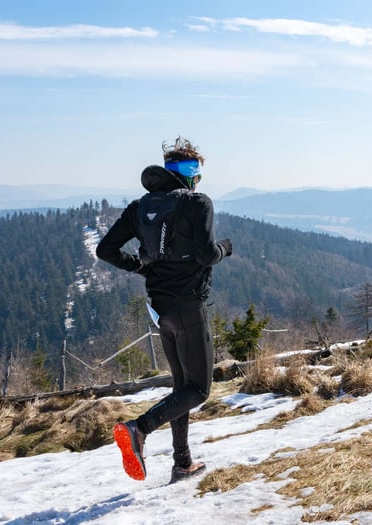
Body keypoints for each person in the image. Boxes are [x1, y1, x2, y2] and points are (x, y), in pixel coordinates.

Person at [96, 136, 232, 484]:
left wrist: (142, 267)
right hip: (188, 306)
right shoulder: (198, 203)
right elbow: (205, 255)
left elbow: (106, 251)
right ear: (191, 174)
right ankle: (138, 429)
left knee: (181, 387)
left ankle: (182, 463)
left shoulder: (140, 207)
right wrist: (224, 249)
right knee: (199, 390)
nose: (199, 181)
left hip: (160, 307)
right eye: (197, 174)